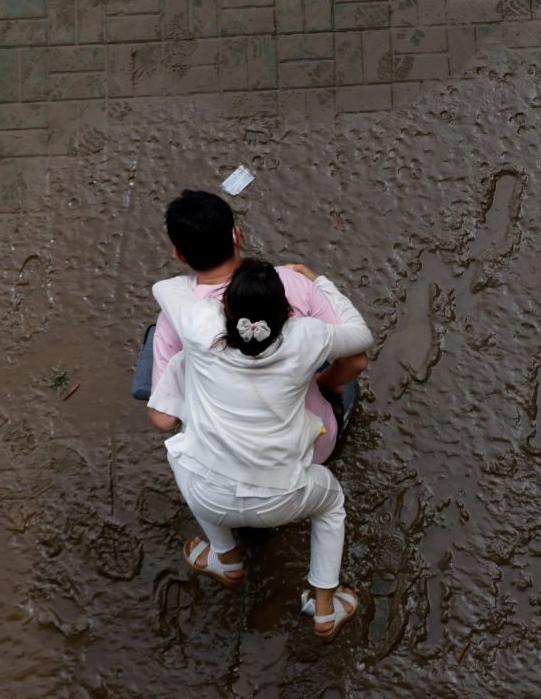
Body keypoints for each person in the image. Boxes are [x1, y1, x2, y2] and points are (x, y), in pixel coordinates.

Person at [149, 259, 373, 641]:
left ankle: (225, 557)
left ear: (226, 312)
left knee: (182, 454)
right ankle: (325, 608)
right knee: (331, 503)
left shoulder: (200, 330)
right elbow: (360, 336)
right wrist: (319, 281)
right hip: (281, 494)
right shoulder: (306, 335)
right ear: (285, 314)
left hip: (208, 494)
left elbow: (163, 288)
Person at [147, 190, 365, 465]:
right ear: (237, 235)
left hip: (231, 461)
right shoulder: (292, 282)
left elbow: (164, 419)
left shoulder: (177, 316)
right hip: (309, 449)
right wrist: (327, 383)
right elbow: (355, 360)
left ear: (179, 254)